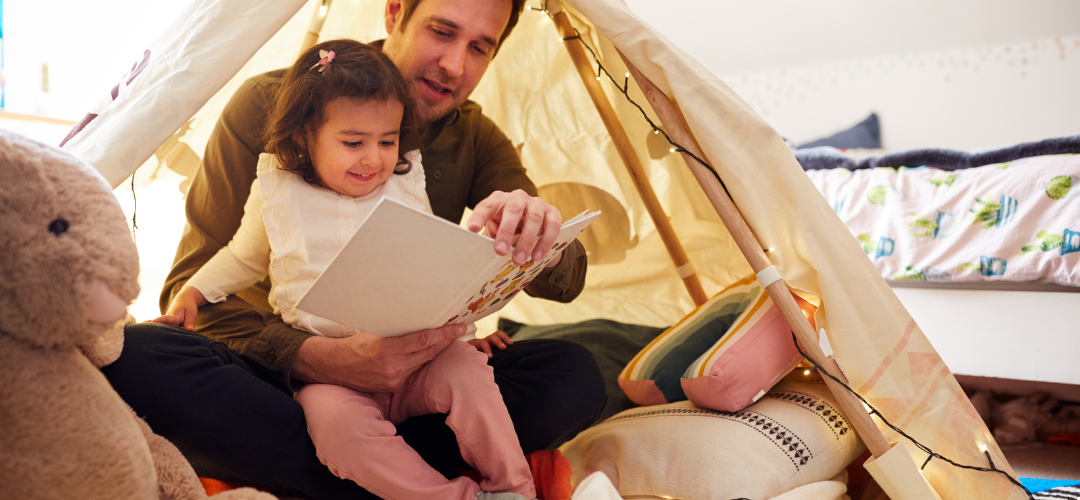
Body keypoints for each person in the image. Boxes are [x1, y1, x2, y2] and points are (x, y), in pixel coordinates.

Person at [101, 0, 606, 499]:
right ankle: (391, 475)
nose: (455, 65)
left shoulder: (474, 137)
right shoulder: (267, 108)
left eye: (479, 47)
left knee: (572, 375)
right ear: (394, 15)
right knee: (140, 354)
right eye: (442, 31)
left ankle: (366, 477)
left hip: (414, 369)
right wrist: (319, 359)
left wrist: (537, 231)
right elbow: (201, 295)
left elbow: (553, 278)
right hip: (281, 383)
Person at [154, 40, 537, 500]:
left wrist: (464, 326)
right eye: (353, 142)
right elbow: (241, 258)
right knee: (337, 433)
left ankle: (515, 488)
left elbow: (430, 265)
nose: (374, 158)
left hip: (420, 359)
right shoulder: (278, 190)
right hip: (330, 377)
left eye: (388, 141)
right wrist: (193, 293)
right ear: (303, 137)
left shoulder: (402, 182)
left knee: (474, 374)